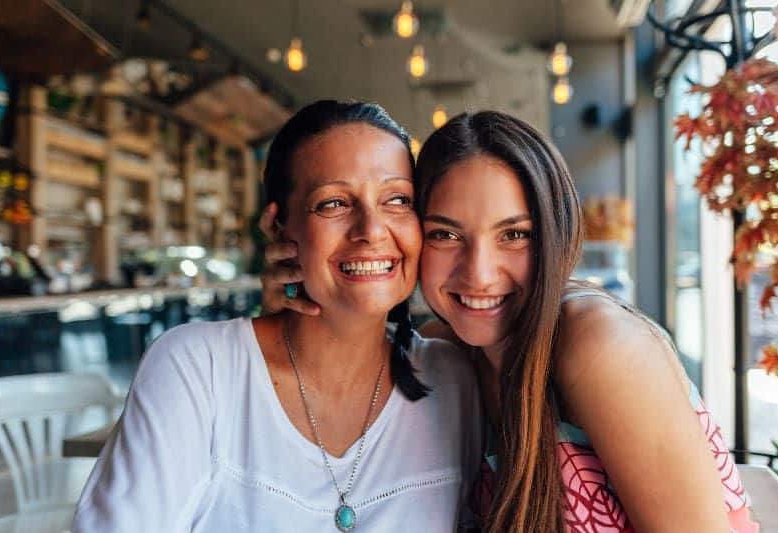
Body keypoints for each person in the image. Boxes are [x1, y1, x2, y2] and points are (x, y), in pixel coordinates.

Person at [260, 110, 758, 532]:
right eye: (445, 235)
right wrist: (293, 300)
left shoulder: (596, 346)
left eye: (514, 235)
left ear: (555, 234)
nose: (478, 274)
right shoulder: (442, 354)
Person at [72, 101, 481, 533]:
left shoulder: (451, 379)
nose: (372, 230)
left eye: (397, 199)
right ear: (278, 226)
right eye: (334, 203)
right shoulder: (198, 368)